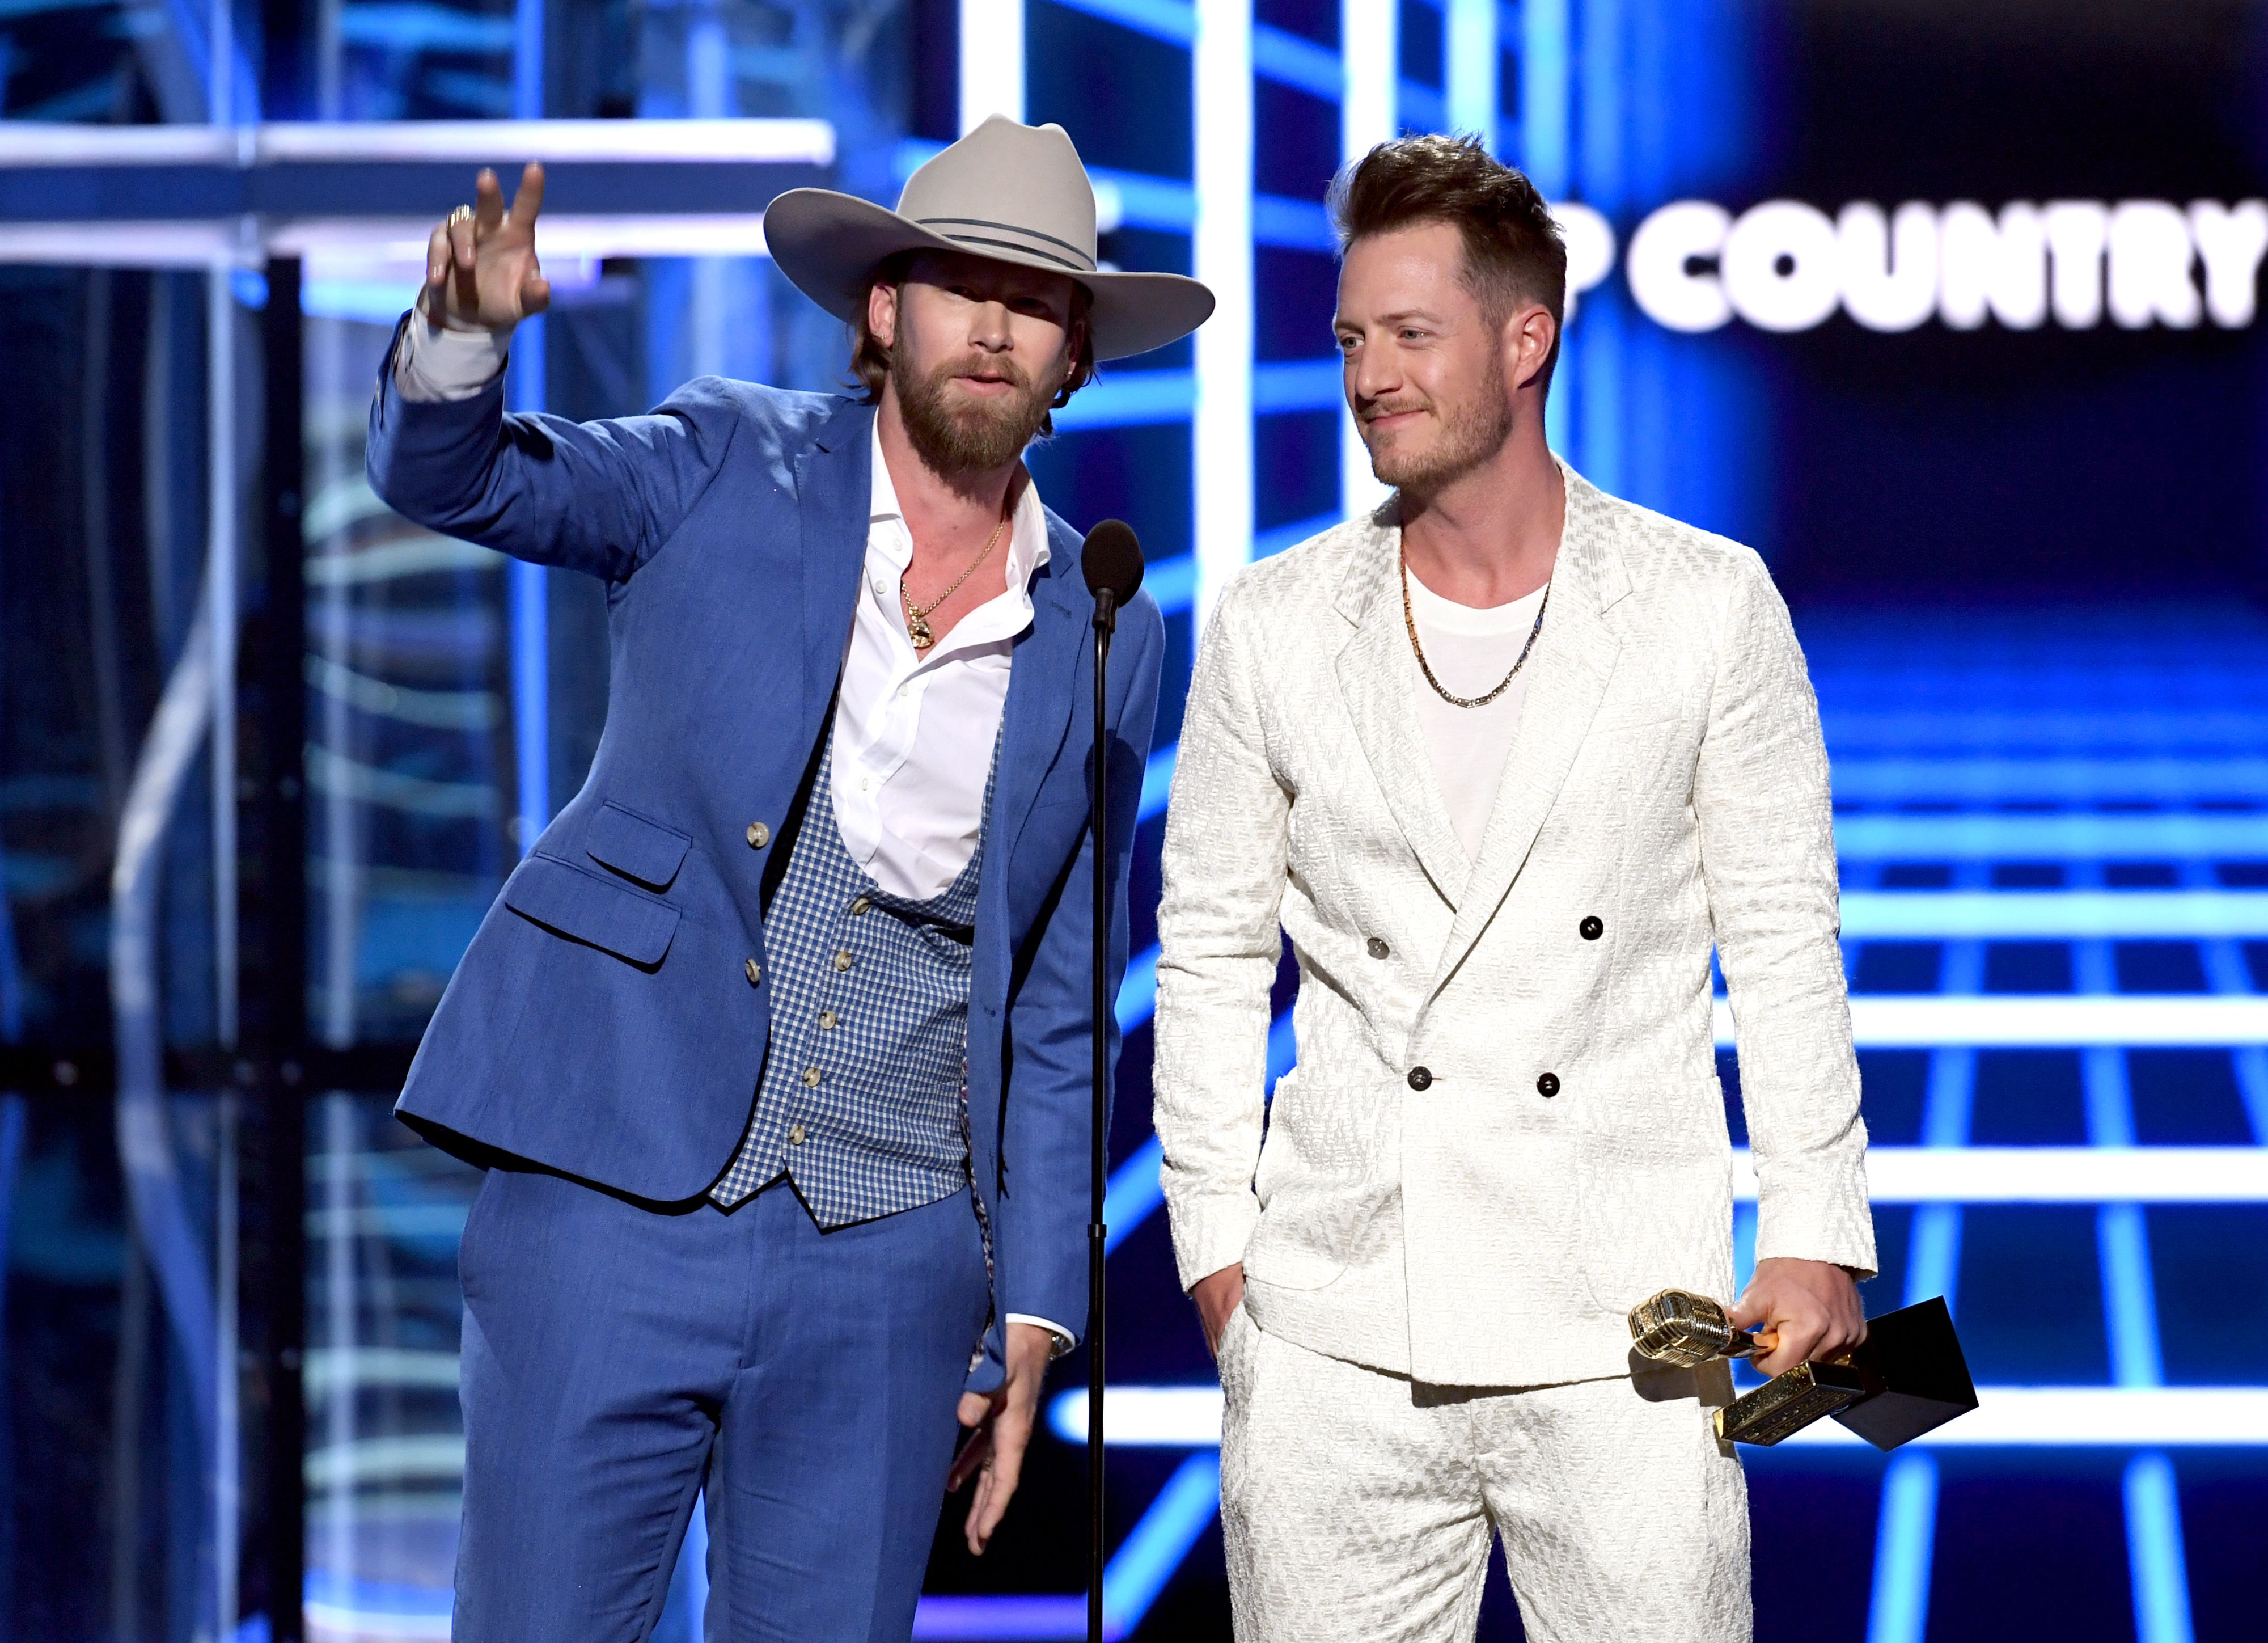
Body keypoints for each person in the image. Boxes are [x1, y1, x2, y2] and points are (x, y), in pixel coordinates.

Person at [367, 116, 1209, 1641]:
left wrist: (1032, 1302)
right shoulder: (722, 461)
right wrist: (456, 342)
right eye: (961, 284)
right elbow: (471, 481)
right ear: (882, 310)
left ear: (1073, 350)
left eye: (1035, 301)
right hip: (610, 1193)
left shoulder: (1105, 621)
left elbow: (1059, 997)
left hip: (887, 1261)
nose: (995, 324)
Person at [1151, 134, 1875, 1641]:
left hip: (1628, 1323)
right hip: (1340, 1334)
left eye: (1411, 336)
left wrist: (1818, 1229)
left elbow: (1784, 939)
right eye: (1352, 338)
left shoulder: (1704, 604)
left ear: (1525, 339)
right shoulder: (1273, 627)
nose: (1367, 377)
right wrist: (1226, 1267)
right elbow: (1212, 953)